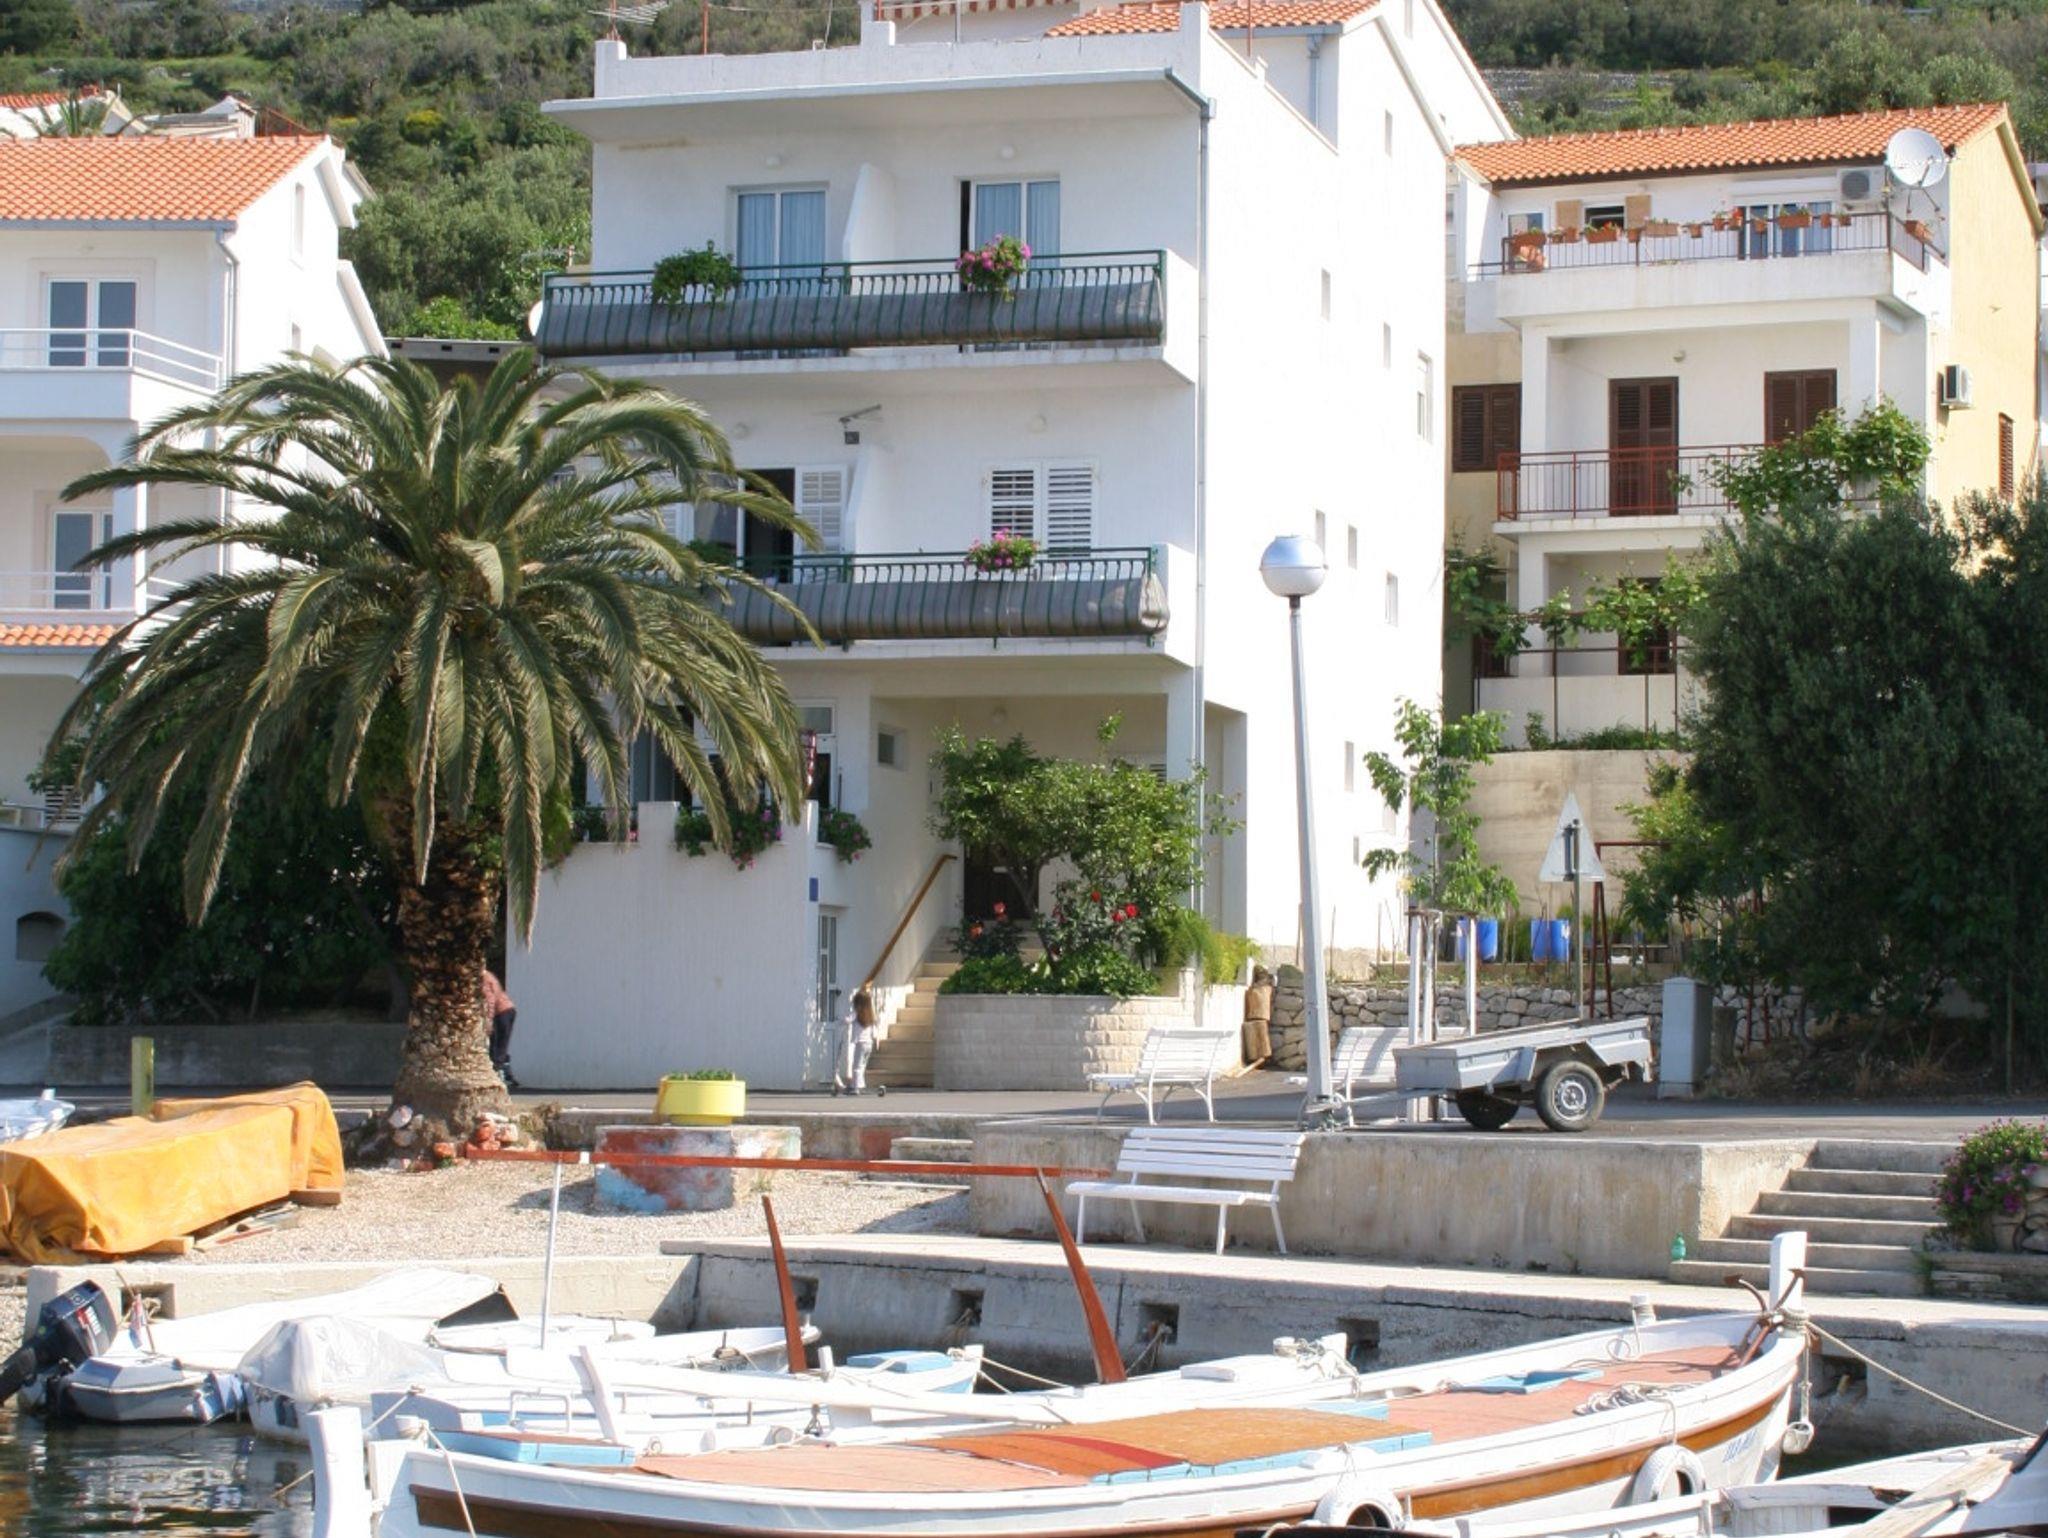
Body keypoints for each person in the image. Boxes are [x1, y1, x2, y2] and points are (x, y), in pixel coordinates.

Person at [836, 987, 877, 1096]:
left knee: (856, 1066)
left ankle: (856, 1087)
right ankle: (859, 1085)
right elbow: (874, 1030)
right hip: (869, 1043)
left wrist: (838, 1020)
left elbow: (847, 1020)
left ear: (858, 1004)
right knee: (862, 1066)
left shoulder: (856, 1013)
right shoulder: (870, 1016)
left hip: (860, 1043)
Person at [482, 967, 518, 1090]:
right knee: (500, 1046)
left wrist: (489, 1020)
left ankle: (498, 1078)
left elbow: (490, 1000)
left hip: (501, 1013)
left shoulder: (484, 979)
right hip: (507, 1011)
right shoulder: (489, 976)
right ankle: (505, 1074)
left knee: (496, 1048)